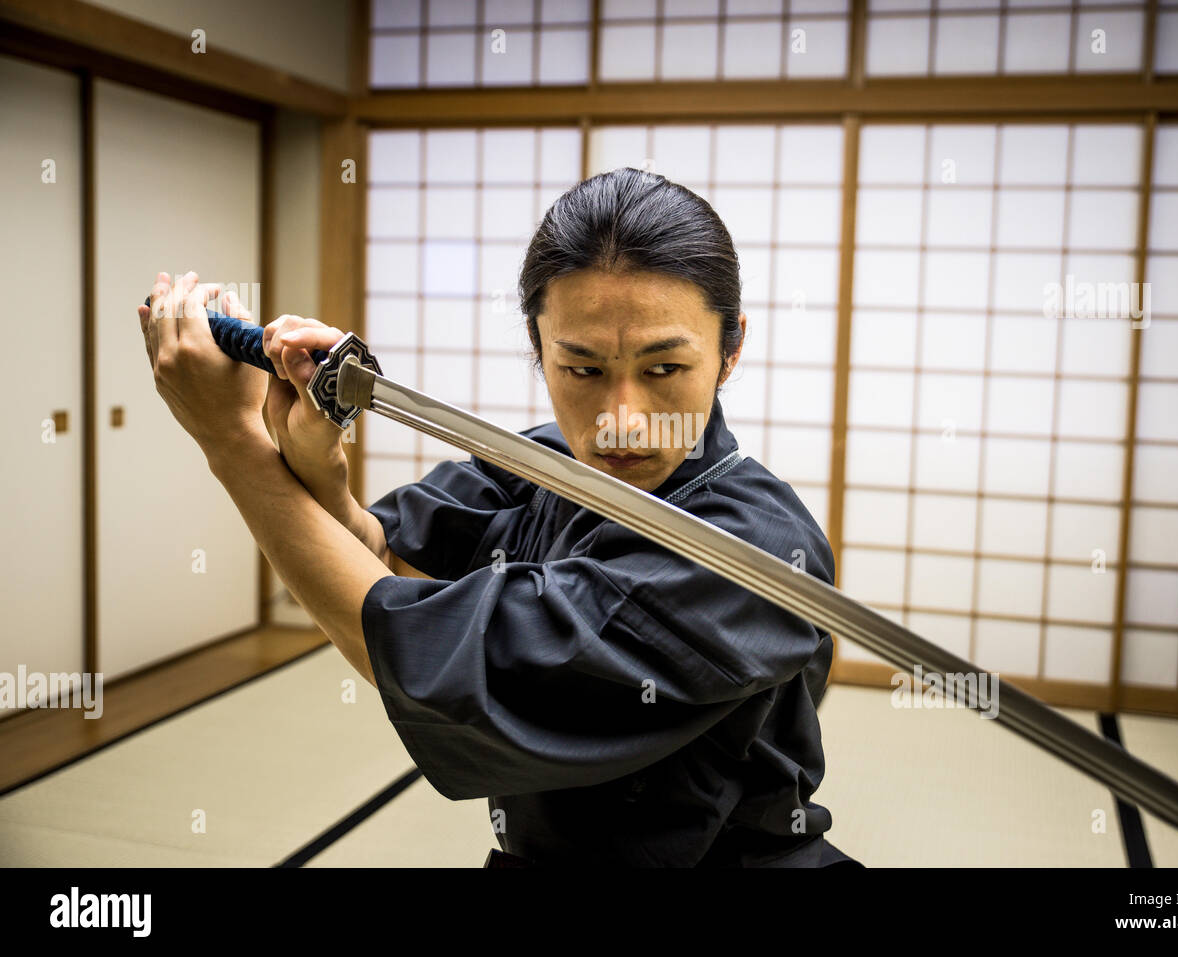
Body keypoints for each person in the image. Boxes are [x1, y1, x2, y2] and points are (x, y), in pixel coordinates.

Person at [138, 167, 862, 868]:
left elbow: (414, 648)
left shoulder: (756, 548)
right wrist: (319, 474)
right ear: (538, 348)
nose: (622, 422)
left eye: (663, 369)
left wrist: (232, 444)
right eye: (581, 369)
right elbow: (378, 566)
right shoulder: (536, 465)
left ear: (730, 349)